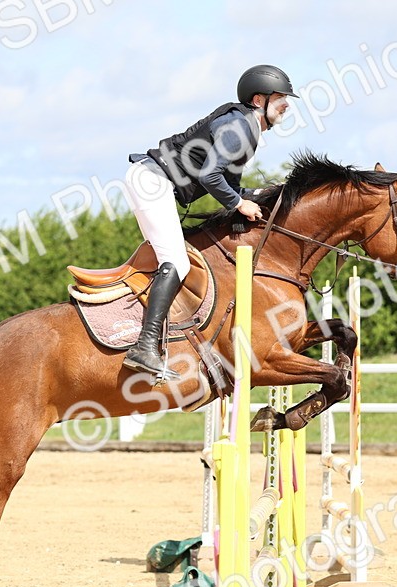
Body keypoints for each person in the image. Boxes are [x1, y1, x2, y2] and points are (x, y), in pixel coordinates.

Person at [122, 64, 298, 379]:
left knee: (177, 258)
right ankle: (145, 346)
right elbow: (211, 176)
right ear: (259, 100)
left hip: (153, 181)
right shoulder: (239, 127)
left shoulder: (245, 127)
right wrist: (238, 203)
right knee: (176, 260)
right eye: (281, 97)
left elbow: (230, 187)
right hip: (152, 181)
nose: (287, 103)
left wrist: (268, 194)